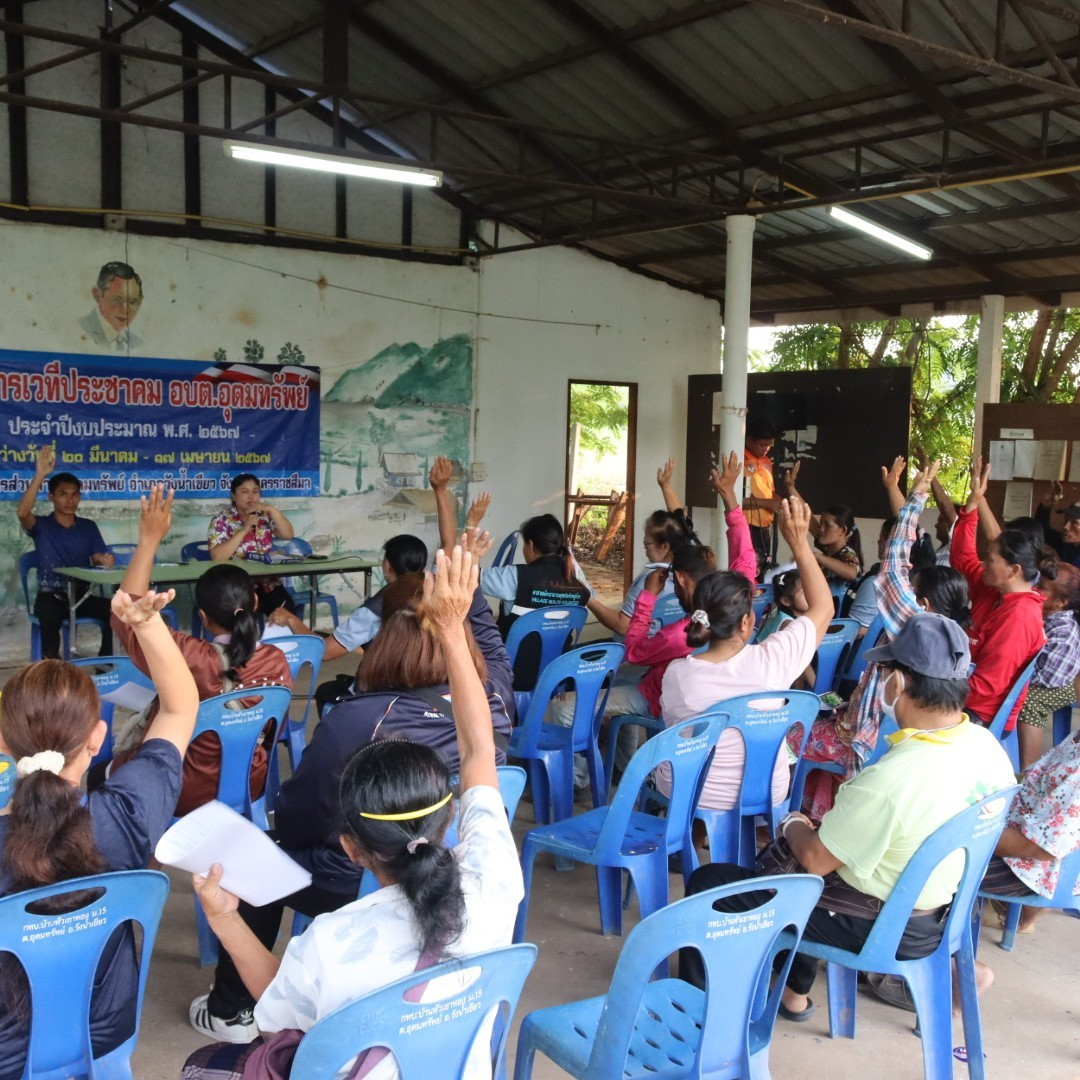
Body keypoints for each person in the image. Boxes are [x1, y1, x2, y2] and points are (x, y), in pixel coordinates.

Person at [183, 545, 524, 1080]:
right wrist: (458, 623)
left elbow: (281, 1001)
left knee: (264, 853)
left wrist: (223, 914)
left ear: (353, 844)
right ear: (448, 813)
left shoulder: (331, 942)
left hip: (344, 883)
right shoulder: (497, 885)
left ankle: (227, 1010)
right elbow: (479, 750)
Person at [680, 613, 1016, 1022]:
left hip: (878, 922)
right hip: (939, 913)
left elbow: (817, 860)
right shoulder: (985, 746)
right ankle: (792, 994)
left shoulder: (894, 778)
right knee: (797, 878)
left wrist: (795, 823)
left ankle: (697, 1014)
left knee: (713, 883)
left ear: (899, 683)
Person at [0, 584, 199, 1080]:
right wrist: (146, 623)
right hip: (105, 1036)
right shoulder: (126, 815)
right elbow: (179, 708)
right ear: (98, 737)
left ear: (3, 744)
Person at [796, 461, 974, 819]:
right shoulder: (957, 638)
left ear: (921, 603)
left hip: (863, 742)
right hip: (900, 747)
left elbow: (893, 564)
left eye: (912, 590)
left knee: (789, 735)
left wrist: (917, 498)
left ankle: (791, 816)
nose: (904, 591)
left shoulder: (913, 625)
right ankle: (820, 808)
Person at [107, 486, 292, 815]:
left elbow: (126, 613)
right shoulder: (276, 660)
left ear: (203, 618)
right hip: (249, 783)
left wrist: (149, 539)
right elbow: (274, 732)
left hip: (183, 791)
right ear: (255, 603)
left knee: (102, 776)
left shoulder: (188, 655)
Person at [657, 493, 833, 817]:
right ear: (747, 621)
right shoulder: (773, 660)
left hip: (693, 795)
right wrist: (799, 544)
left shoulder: (677, 674)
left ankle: (691, 841)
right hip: (766, 790)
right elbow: (823, 607)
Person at [269, 534, 429, 714]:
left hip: (384, 692)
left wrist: (292, 619)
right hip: (430, 690)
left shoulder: (376, 608)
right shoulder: (436, 594)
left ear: (387, 566)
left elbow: (325, 651)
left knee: (326, 692)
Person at [951, 458, 1046, 730]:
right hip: (964, 689)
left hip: (978, 712)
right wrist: (971, 508)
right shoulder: (995, 589)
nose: (983, 563)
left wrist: (933, 691)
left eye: (990, 560)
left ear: (1012, 570)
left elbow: (987, 686)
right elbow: (963, 559)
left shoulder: (1019, 617)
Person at [17, 445, 114, 659]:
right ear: (51, 497)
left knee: (116, 611)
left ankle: (105, 664)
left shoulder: (88, 526)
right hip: (51, 595)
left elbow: (100, 558)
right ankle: (52, 673)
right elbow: (23, 512)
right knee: (50, 623)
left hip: (81, 595)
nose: (70, 500)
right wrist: (40, 475)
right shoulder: (41, 525)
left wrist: (105, 561)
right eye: (63, 494)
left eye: (74, 494)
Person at [585, 458, 699, 640]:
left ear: (665, 546)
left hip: (636, 658)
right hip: (671, 644)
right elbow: (682, 523)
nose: (645, 548)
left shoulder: (651, 582)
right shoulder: (693, 564)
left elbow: (622, 626)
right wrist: (665, 485)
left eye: (647, 543)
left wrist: (588, 599)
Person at [1014, 560, 1080, 770]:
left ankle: (1028, 770)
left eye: (1042, 587)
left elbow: (1046, 679)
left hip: (1064, 685)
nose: (1035, 589)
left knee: (1030, 703)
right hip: (1047, 677)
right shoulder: (1046, 616)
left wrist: (1017, 684)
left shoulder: (1063, 630)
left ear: (1061, 602)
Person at [208, 473, 298, 616]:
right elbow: (217, 557)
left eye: (255, 492)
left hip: (267, 583)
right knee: (243, 618)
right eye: (245, 492)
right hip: (237, 586)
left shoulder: (264, 517)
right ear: (233, 496)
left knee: (287, 612)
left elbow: (288, 534)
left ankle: (279, 639)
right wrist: (245, 529)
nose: (251, 497)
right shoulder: (221, 520)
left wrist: (272, 510)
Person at [76, 261, 144, 352]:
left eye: (132, 302)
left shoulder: (137, 343)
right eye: (117, 300)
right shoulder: (79, 330)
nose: (125, 310)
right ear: (97, 295)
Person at [744, 417, 779, 578]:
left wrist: (780, 502)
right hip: (748, 527)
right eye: (762, 444)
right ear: (749, 440)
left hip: (765, 529)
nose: (766, 449)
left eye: (769, 445)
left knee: (764, 569)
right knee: (749, 570)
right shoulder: (740, 460)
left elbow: (770, 493)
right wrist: (767, 503)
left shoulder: (766, 462)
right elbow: (736, 500)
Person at [1036, 481, 1080, 568]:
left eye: (1074, 523)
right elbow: (1042, 531)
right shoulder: (1067, 544)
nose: (1066, 527)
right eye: (1066, 520)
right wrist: (1045, 506)